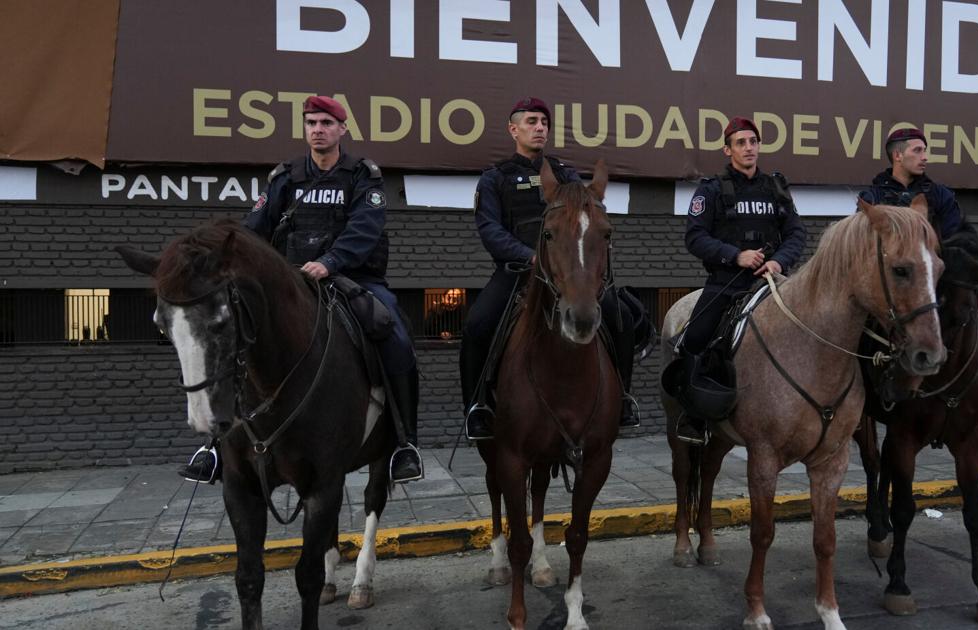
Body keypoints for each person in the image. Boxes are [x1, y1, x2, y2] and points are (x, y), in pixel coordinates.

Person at [179, 95, 424, 484]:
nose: (318, 130)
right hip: (291, 284)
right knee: (236, 338)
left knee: (392, 331)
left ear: (342, 129)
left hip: (353, 279)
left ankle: (404, 442)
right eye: (311, 123)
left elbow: (366, 228)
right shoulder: (286, 177)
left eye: (326, 123)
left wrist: (330, 262)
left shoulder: (363, 175)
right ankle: (216, 444)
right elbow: (254, 231)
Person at [461, 96, 639, 440]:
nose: (539, 127)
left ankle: (624, 398)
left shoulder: (565, 175)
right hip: (517, 273)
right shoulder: (494, 179)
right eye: (531, 122)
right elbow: (490, 230)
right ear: (513, 129)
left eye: (544, 123)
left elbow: (587, 215)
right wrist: (530, 256)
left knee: (621, 317)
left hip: (568, 274)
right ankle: (477, 407)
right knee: (477, 324)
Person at [860, 127, 978, 407]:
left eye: (925, 151)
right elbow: (865, 242)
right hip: (892, 281)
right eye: (918, 151)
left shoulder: (940, 195)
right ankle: (857, 382)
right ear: (897, 156)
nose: (925, 157)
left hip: (934, 277)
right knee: (857, 317)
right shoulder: (873, 196)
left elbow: (957, 235)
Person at [673, 117, 808, 444]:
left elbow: (796, 233)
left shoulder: (776, 188)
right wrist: (736, 255)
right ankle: (693, 415)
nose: (748, 148)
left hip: (771, 284)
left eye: (753, 142)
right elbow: (695, 237)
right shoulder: (712, 189)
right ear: (728, 149)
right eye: (741, 143)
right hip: (726, 282)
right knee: (695, 338)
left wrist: (778, 261)